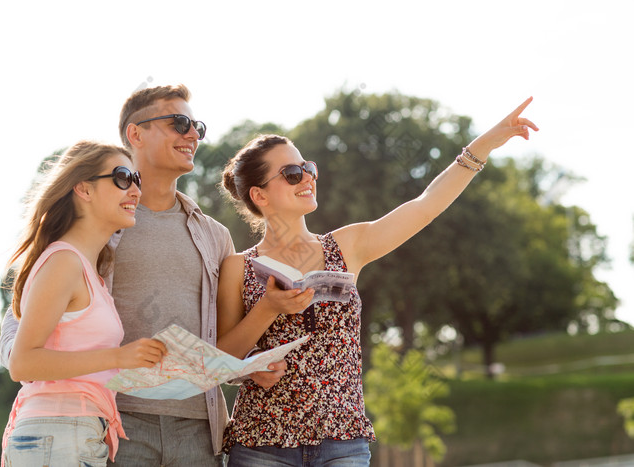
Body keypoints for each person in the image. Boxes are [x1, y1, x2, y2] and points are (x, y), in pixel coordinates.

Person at [217, 98, 539, 465]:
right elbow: (222, 362)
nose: (307, 178)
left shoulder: (347, 245)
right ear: (259, 195)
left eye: (308, 168)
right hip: (262, 444)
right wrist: (267, 310)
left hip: (342, 443)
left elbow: (426, 204)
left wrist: (484, 145)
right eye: (292, 174)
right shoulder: (237, 268)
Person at [0, 84, 285, 465]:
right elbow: (20, 328)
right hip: (114, 422)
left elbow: (220, 336)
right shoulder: (96, 230)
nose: (192, 135)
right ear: (135, 133)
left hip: (198, 425)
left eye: (196, 126)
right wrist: (44, 380)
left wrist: (246, 367)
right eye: (178, 122)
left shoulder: (214, 236)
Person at [1, 141, 168, 466]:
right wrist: (119, 356)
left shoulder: (88, 270)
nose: (135, 190)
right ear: (83, 189)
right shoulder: (65, 262)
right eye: (122, 177)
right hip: (58, 432)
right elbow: (22, 363)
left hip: (75, 432)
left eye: (137, 179)